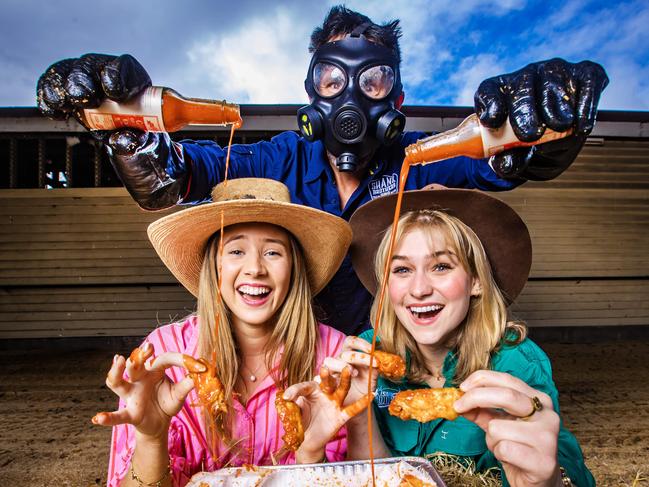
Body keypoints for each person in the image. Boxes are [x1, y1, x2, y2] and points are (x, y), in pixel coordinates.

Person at [36, 6, 609, 336]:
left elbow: (501, 160)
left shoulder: (421, 157)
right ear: (311, 91)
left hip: (392, 362)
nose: (351, 101)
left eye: (373, 82)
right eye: (333, 82)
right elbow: (193, 172)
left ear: (398, 98)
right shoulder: (279, 157)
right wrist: (138, 142)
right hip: (295, 357)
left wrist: (543, 128)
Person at [291, 187, 594, 486]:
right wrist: (359, 415)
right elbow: (378, 478)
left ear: (475, 281)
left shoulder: (518, 363)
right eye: (402, 269)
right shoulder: (367, 355)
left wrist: (548, 480)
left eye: (440, 266)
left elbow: (560, 467)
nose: (419, 288)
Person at [91, 177, 367, 487]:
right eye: (235, 251)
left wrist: (311, 456)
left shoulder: (334, 358)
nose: (255, 269)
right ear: (212, 266)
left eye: (273, 253)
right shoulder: (163, 356)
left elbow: (361, 476)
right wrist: (151, 438)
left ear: (295, 268)